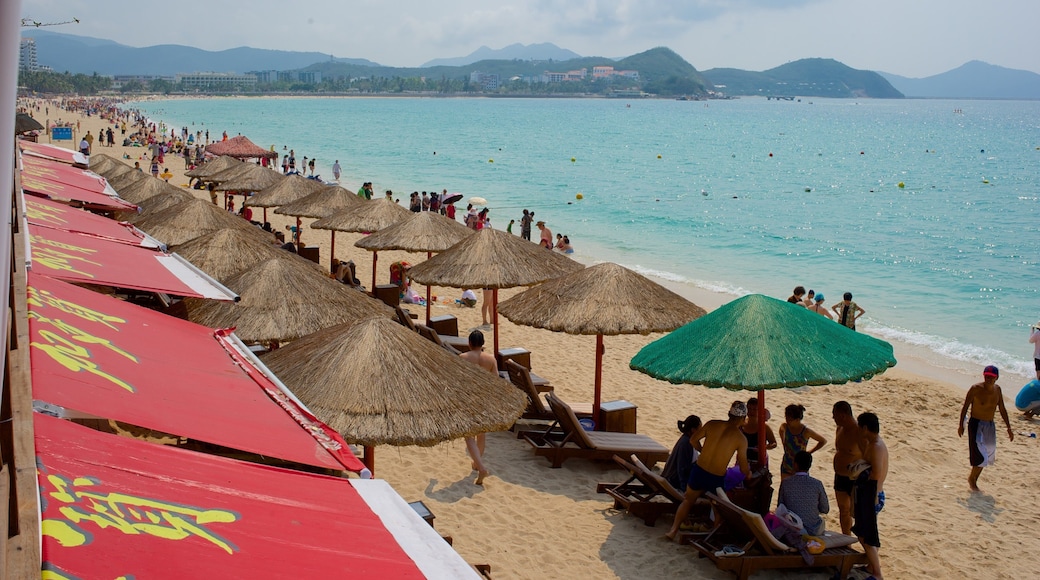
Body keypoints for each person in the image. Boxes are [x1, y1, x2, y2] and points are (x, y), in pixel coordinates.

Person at [666, 401, 752, 541]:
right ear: (743, 419)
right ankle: (711, 539)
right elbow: (743, 467)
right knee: (719, 510)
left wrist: (702, 450)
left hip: (699, 470)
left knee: (688, 500)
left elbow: (693, 440)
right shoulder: (741, 439)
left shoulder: (712, 424)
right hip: (715, 477)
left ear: (729, 414)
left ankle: (673, 530)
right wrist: (748, 473)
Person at [958, 365, 1014, 491]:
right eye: (986, 376)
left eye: (991, 377)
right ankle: (972, 480)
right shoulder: (975, 389)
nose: (988, 379)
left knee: (987, 456)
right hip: (976, 424)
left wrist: (1009, 428)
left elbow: (1002, 409)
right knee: (980, 456)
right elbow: (965, 407)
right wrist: (961, 425)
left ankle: (974, 479)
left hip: (989, 425)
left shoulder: (997, 390)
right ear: (983, 376)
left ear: (997, 378)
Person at [852, 412, 888, 580]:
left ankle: (877, 572)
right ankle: (871, 566)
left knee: (866, 535)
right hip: (870, 492)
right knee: (865, 531)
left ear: (865, 428)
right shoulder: (874, 443)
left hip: (872, 494)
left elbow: (875, 474)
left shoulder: (876, 446)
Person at [459, 330, 495, 485]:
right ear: (483, 343)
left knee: (468, 435)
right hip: (484, 398)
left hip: (469, 397)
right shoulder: (491, 359)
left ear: (469, 343)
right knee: (481, 434)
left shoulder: (463, 358)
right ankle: (476, 463)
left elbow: (458, 380)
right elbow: (495, 381)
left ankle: (480, 467)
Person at [776, 451, 829, 536]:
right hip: (813, 530)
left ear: (795, 464)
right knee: (821, 521)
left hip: (793, 529)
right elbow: (825, 509)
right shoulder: (817, 483)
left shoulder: (786, 483)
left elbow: (780, 506)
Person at [832, 400, 863, 535]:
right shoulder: (840, 428)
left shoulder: (859, 432)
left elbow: (869, 456)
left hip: (854, 477)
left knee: (857, 512)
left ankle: (864, 541)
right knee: (843, 510)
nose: (833, 418)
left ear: (843, 415)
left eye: (835, 415)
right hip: (840, 476)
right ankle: (847, 539)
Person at [779, 404, 827, 480]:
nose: (787, 421)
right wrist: (783, 441)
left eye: (790, 419)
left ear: (797, 419)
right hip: (787, 463)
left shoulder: (806, 431)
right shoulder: (785, 426)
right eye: (786, 418)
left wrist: (810, 452)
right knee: (786, 487)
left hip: (801, 465)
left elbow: (823, 441)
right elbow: (781, 430)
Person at [661, 415, 702, 492]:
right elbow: (682, 469)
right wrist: (684, 489)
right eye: (700, 429)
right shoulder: (686, 443)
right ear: (693, 430)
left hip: (675, 479)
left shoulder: (690, 441)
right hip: (674, 482)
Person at [739, 397, 776, 473]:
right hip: (743, 460)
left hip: (759, 462)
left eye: (754, 409)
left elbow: (773, 443)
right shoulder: (741, 425)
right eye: (749, 409)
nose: (751, 412)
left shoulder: (764, 427)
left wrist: (763, 447)